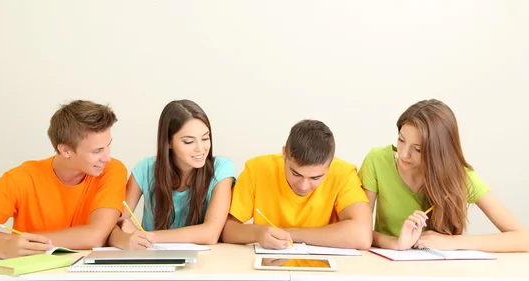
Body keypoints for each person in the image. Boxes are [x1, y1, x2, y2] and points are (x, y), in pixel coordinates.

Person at [0, 100, 127, 258]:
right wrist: (3, 248)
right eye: (97, 151)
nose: (107, 157)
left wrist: (18, 240)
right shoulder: (21, 179)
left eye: (108, 146)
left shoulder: (112, 170)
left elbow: (95, 236)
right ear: (66, 150)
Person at [359, 99, 529, 252]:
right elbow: (359, 231)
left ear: (438, 151)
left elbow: (523, 239)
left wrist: (453, 242)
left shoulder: (459, 176)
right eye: (401, 140)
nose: (404, 154)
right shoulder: (378, 160)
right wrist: (396, 243)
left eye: (417, 149)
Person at [221, 119, 372, 250]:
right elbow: (226, 229)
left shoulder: (343, 173)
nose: (304, 186)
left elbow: (362, 236)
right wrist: (257, 233)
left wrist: (289, 234)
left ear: (330, 164)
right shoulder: (257, 169)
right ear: (284, 153)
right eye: (296, 174)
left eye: (316, 177)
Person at [108, 99, 235, 250]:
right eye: (189, 142)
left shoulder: (221, 168)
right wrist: (123, 236)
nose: (200, 149)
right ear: (168, 142)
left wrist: (147, 236)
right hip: (151, 258)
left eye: (205, 138)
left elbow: (210, 234)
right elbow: (114, 221)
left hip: (205, 261)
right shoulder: (145, 169)